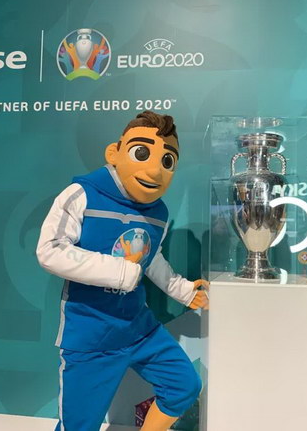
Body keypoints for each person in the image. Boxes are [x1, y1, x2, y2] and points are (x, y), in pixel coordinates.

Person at [36, 111, 209, 431]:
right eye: (141, 153)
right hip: (91, 335)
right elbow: (50, 250)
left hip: (139, 328)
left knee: (183, 386)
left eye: (168, 161)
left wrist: (181, 289)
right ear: (114, 152)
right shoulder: (81, 195)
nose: (156, 170)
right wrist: (118, 271)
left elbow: (151, 257)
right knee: (78, 426)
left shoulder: (158, 212)